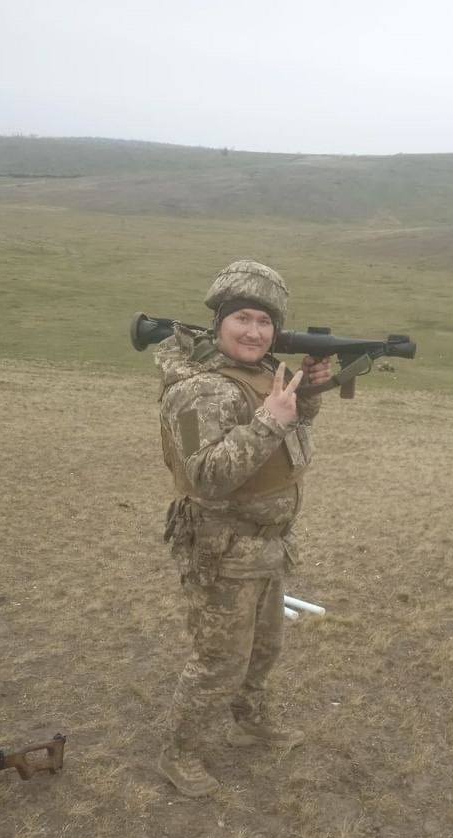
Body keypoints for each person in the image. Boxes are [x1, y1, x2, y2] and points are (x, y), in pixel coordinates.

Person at [155, 260, 332, 797]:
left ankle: (250, 722)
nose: (254, 332)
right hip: (223, 550)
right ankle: (179, 753)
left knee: (264, 649)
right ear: (219, 324)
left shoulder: (262, 374)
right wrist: (269, 419)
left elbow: (290, 430)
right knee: (219, 662)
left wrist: (307, 396)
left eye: (264, 321)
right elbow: (205, 475)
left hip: (268, 545)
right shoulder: (196, 391)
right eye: (243, 319)